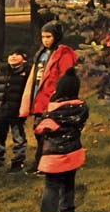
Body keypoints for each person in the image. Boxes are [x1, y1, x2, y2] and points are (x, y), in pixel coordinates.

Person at [35, 68, 88, 212]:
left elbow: (40, 129)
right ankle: (67, 211)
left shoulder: (52, 113)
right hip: (73, 153)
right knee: (69, 181)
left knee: (51, 186)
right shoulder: (81, 109)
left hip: (53, 157)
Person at [20, 21, 77, 168]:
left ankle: (43, 161)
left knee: (48, 132)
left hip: (52, 99)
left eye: (49, 36)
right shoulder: (41, 53)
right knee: (39, 130)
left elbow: (65, 78)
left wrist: (57, 97)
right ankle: (41, 160)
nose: (45, 40)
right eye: (43, 37)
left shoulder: (63, 54)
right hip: (39, 98)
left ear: (56, 36)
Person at [0, 47, 31, 172]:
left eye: (17, 54)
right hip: (0, 111)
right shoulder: (1, 72)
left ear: (24, 59)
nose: (13, 56)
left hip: (16, 112)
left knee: (18, 138)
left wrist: (26, 109)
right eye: (11, 54)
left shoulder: (27, 73)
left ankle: (18, 161)